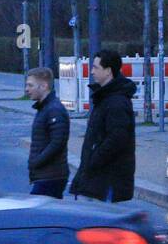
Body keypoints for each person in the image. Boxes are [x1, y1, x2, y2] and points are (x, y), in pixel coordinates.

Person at [69, 49, 136, 203]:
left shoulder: (116, 102)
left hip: (107, 179)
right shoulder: (106, 98)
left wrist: (93, 159)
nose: (92, 72)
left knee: (101, 224)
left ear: (108, 71)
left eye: (95, 68)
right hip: (99, 179)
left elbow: (117, 138)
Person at [24, 66, 69, 198]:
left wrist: (37, 161)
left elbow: (57, 142)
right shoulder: (45, 108)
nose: (27, 89)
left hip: (50, 175)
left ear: (43, 86)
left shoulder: (53, 110)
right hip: (46, 174)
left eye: (30, 85)